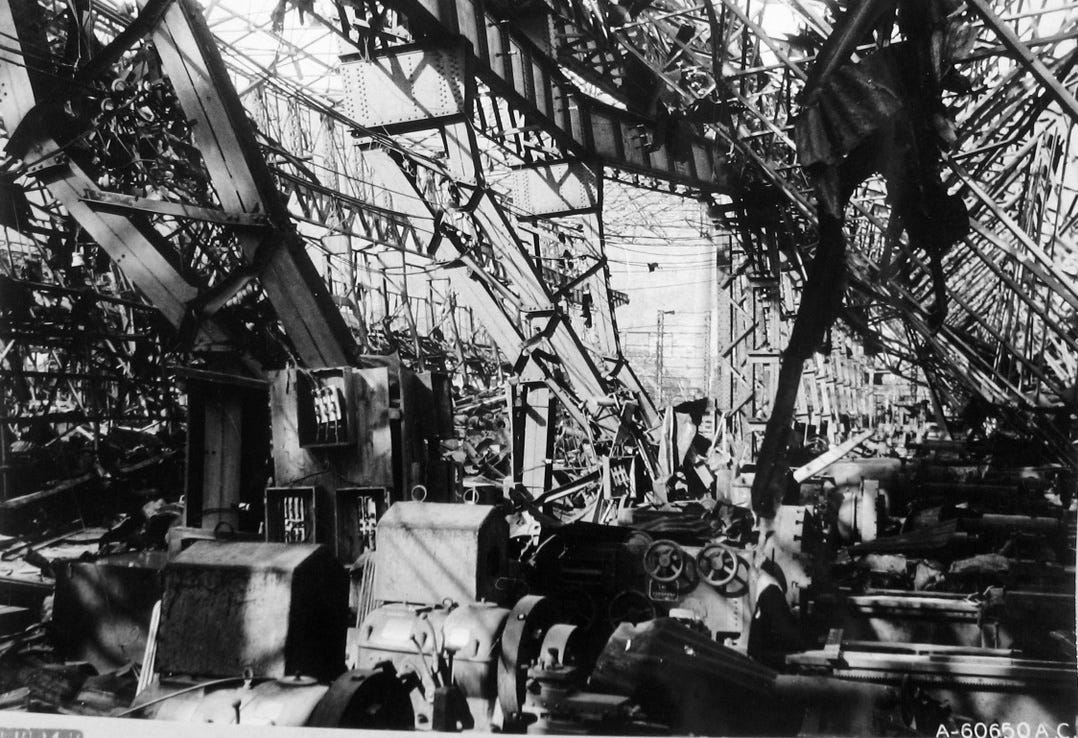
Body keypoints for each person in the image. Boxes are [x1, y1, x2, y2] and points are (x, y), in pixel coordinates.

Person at [746, 557, 803, 670]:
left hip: (760, 653)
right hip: (767, 658)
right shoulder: (772, 591)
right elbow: (784, 628)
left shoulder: (765, 589)